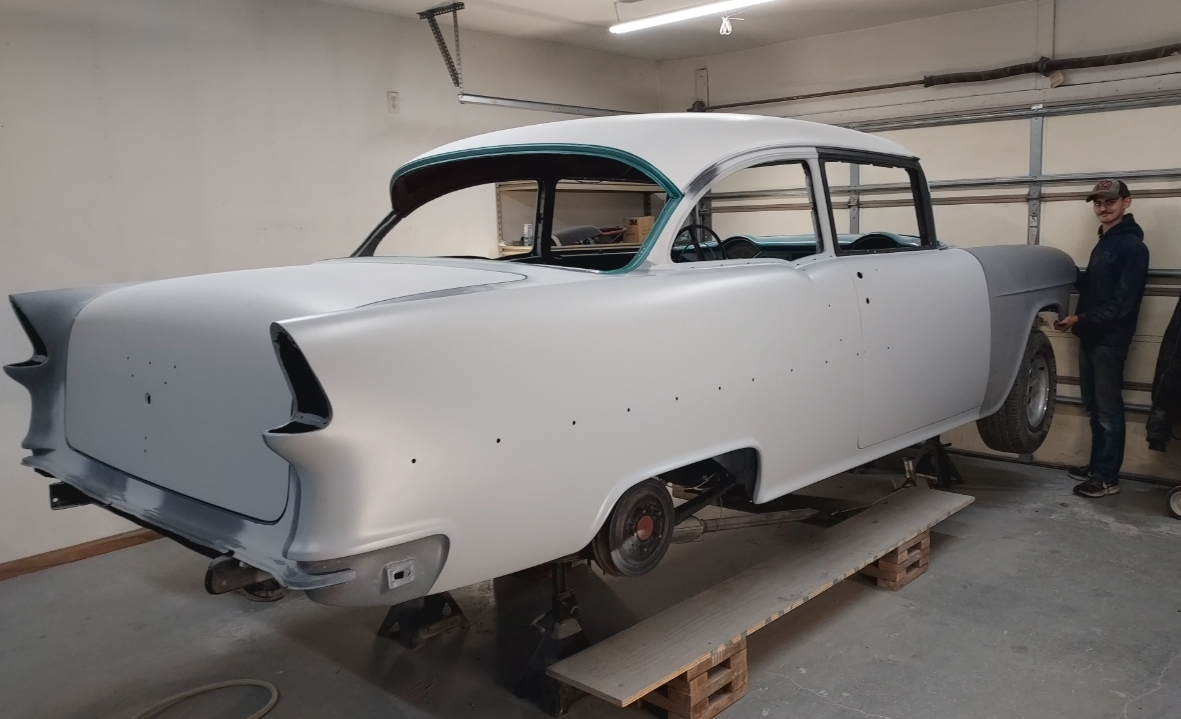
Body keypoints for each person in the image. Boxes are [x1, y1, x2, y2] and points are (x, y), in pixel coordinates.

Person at [1054, 179, 1149, 498]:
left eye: (1110, 202)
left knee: (1108, 410)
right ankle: (1097, 466)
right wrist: (1063, 269)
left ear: (1126, 202)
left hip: (1110, 340)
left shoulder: (1132, 247)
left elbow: (1122, 304)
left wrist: (1080, 318)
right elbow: (1095, 288)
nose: (1103, 208)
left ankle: (1107, 478)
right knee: (1095, 406)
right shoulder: (1105, 242)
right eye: (1097, 203)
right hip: (1091, 336)